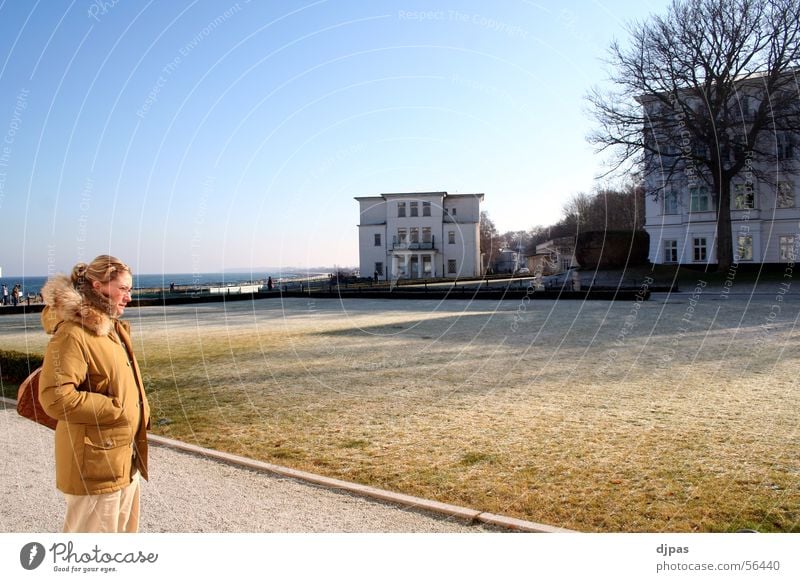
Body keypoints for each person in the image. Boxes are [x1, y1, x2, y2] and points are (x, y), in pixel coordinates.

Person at [38, 255, 150, 533]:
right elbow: (55, 397)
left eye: (130, 289)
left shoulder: (112, 329)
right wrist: (117, 408)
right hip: (95, 468)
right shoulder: (73, 334)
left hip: (123, 461)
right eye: (123, 289)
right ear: (98, 286)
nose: (129, 297)